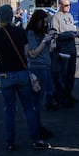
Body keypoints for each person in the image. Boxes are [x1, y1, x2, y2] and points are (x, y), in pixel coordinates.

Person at [0, 4, 50, 150]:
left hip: (5, 74)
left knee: (9, 110)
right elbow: (26, 51)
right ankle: (36, 138)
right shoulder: (20, 32)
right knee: (29, 107)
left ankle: (10, 141)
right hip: (22, 72)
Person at [25, 9, 56, 137]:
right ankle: (36, 128)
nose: (45, 25)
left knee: (39, 100)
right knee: (36, 101)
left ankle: (37, 126)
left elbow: (47, 51)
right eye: (44, 22)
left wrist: (51, 41)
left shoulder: (40, 33)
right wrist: (45, 41)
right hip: (37, 67)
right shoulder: (31, 33)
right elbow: (32, 53)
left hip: (44, 66)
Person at [50, 0, 79, 107]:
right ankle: (61, 96)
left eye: (69, 5)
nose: (68, 7)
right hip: (63, 50)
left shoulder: (69, 16)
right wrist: (70, 35)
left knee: (71, 74)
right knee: (62, 75)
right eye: (66, 5)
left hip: (72, 48)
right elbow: (55, 35)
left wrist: (75, 33)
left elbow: (72, 28)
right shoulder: (55, 18)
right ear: (60, 5)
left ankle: (69, 94)